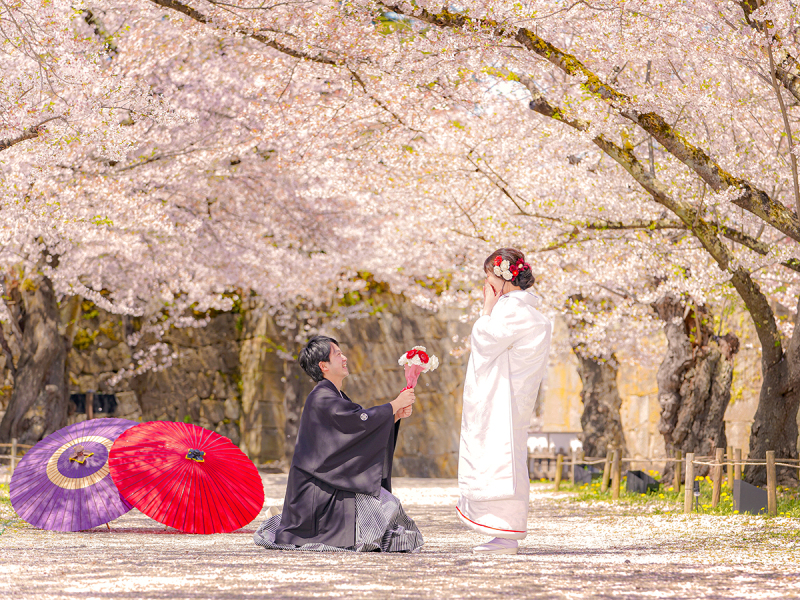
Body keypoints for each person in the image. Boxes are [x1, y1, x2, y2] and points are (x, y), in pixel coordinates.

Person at [253, 335, 423, 552]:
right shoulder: (321, 398)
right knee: (385, 510)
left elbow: (355, 433)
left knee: (389, 508)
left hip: (331, 481)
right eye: (338, 354)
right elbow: (358, 424)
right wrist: (394, 405)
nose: (344, 358)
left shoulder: (333, 396)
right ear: (323, 366)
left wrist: (394, 415)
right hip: (318, 491)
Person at [456, 248, 552, 554]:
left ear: (502, 277)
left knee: (499, 458)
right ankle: (503, 532)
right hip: (511, 398)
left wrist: (487, 307)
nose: (486, 282)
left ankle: (505, 534)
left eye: (488, 275)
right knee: (507, 457)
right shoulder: (527, 311)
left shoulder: (511, 310)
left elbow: (484, 341)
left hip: (501, 398)